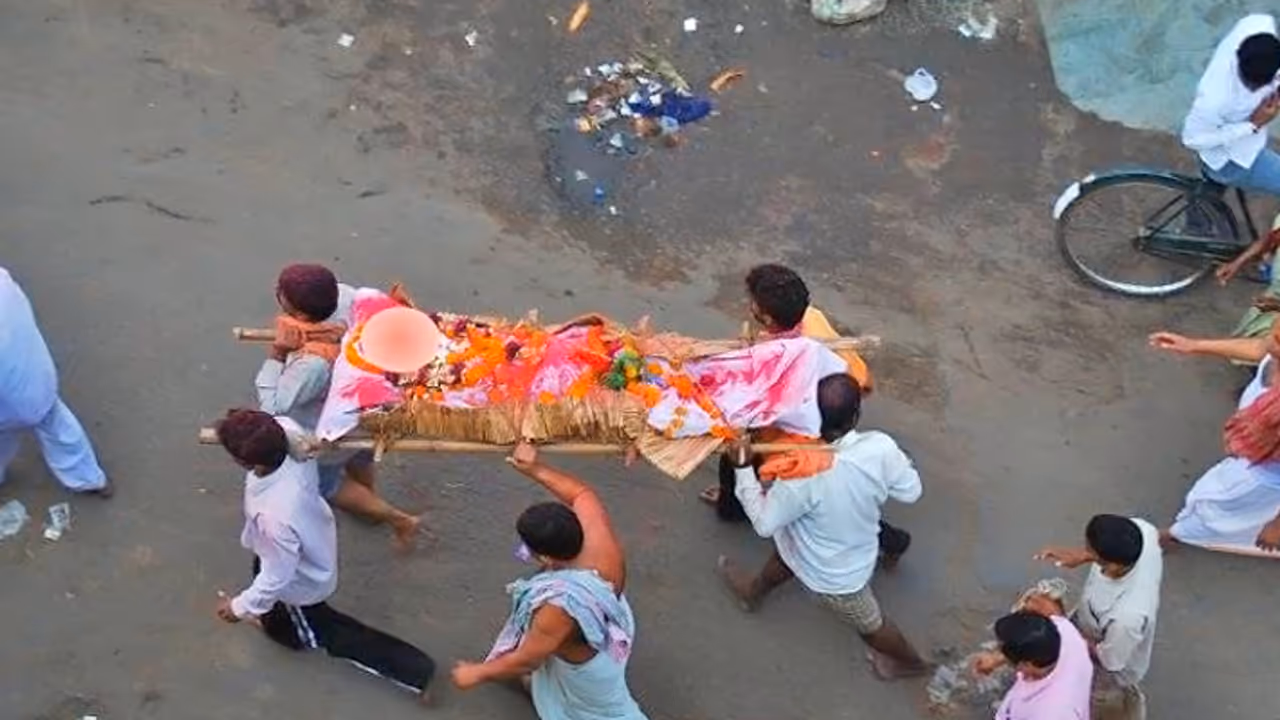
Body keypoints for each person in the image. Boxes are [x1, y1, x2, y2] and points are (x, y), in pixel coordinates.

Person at [212, 409, 436, 702]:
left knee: (326, 631)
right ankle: (277, 625)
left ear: (243, 461)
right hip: (300, 541)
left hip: (298, 579)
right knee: (272, 596)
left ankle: (415, 672)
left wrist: (240, 607)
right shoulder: (291, 436)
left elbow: (277, 575)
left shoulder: (274, 516)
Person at [716, 373, 927, 680]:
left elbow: (763, 523)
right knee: (787, 554)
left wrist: (744, 470)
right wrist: (891, 463)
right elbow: (911, 491)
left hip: (838, 574)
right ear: (857, 414)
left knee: (870, 625)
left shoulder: (799, 473)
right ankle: (752, 592)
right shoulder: (881, 446)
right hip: (829, 541)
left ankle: (911, 663)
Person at [700, 264, 911, 567]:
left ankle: (732, 508)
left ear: (768, 318)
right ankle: (731, 501)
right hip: (837, 411)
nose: (750, 306)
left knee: (752, 465)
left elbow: (754, 408)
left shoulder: (780, 362)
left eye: (754, 304)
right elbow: (860, 380)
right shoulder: (812, 318)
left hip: (802, 432)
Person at [451, 442, 648, 720]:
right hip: (611, 621)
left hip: (589, 669)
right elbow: (581, 493)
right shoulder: (595, 533)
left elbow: (529, 659)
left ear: (544, 558)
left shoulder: (558, 608)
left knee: (607, 712)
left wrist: (476, 673)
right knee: (544, 677)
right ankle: (532, 686)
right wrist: (534, 469)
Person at [258, 263, 420, 549]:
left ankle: (397, 518)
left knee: (327, 485)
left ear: (301, 315)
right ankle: (368, 495)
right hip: (366, 412)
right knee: (359, 458)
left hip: (330, 427)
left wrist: (278, 353)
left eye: (281, 294)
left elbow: (275, 406)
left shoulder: (312, 364)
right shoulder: (347, 297)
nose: (276, 293)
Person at [1150, 320, 1280, 557]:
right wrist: (1194, 345)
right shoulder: (1274, 350)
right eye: (1276, 333)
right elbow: (1260, 348)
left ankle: (1175, 535)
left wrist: (1276, 526)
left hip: (1259, 476)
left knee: (1215, 510)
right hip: (1252, 451)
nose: (1271, 344)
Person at [0, 266, 113, 496]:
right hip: (38, 380)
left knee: (4, 437)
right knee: (60, 429)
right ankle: (89, 480)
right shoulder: (4, 283)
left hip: (6, 402)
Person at [1183, 15, 1280, 282]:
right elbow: (1192, 139)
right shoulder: (1215, 97)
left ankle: (1196, 227)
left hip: (1242, 144)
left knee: (1209, 195)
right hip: (1232, 158)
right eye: (1251, 85)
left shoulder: (1259, 26)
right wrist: (1252, 124)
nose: (1255, 89)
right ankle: (1271, 268)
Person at [1037, 515, 1163, 719]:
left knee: (1094, 698)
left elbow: (1110, 661)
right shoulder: (1143, 533)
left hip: (1111, 664)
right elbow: (1148, 535)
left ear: (1111, 565)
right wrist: (1082, 556)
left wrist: (1059, 619)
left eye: (1090, 551)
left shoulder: (1127, 617)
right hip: (1092, 624)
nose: (1085, 552)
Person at [973, 610, 1094, 720]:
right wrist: (996, 659)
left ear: (1026, 664)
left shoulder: (1054, 713)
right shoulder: (1064, 632)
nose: (998, 649)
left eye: (1001, 648)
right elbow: (1048, 606)